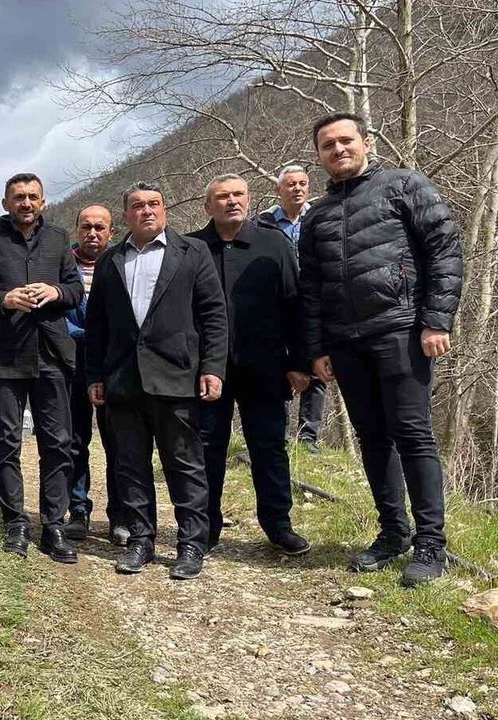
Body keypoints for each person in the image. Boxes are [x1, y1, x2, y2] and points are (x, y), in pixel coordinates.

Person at [301, 113, 463, 586]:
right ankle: (394, 532)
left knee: (413, 434)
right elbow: (310, 288)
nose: (338, 150)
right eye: (328, 145)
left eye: (345, 140)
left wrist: (436, 319)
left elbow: (444, 250)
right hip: (345, 342)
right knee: (372, 438)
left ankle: (431, 542)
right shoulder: (317, 215)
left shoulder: (404, 186)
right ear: (320, 155)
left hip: (401, 330)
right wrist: (316, 347)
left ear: (367, 142)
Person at [84, 181, 228, 580]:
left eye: (154, 204)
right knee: (130, 465)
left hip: (177, 377)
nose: (146, 210)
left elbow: (214, 315)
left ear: (164, 210)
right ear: (125, 215)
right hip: (123, 380)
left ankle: (191, 544)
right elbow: (97, 326)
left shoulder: (193, 252)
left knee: (185, 464)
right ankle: (140, 541)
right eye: (137, 205)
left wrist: (212, 368)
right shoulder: (110, 261)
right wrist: (95, 375)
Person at [0, 174, 84, 561]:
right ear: (5, 203)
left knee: (58, 444)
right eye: (18, 197)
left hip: (52, 354)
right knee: (6, 444)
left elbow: (76, 290)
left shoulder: (59, 240)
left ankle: (54, 525)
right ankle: (15, 523)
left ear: (42, 201)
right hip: (4, 357)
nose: (26, 203)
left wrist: (55, 291)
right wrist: (4, 299)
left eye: (32, 196)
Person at [188, 174, 311, 555]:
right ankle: (204, 528)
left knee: (269, 447)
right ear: (208, 205)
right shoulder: (191, 248)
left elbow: (294, 305)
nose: (232, 202)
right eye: (222, 196)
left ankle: (278, 526)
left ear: (249, 198)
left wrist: (298, 361)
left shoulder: (273, 243)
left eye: (238, 195)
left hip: (265, 366)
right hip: (207, 369)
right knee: (206, 449)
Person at [64, 204, 126, 545]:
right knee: (75, 441)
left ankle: (120, 515)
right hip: (73, 362)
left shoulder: (123, 262)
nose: (92, 233)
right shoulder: (62, 264)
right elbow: (57, 314)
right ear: (77, 230)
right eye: (86, 227)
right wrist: (89, 336)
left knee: (119, 442)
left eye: (100, 227)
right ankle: (78, 510)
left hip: (115, 364)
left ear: (111, 232)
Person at [259, 166, 324, 453]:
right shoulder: (263, 223)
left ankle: (309, 438)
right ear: (278, 189)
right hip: (278, 302)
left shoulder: (319, 218)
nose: (297, 189)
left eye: (302, 183)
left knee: (317, 364)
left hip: (315, 301)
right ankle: (280, 433)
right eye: (290, 184)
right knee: (280, 365)